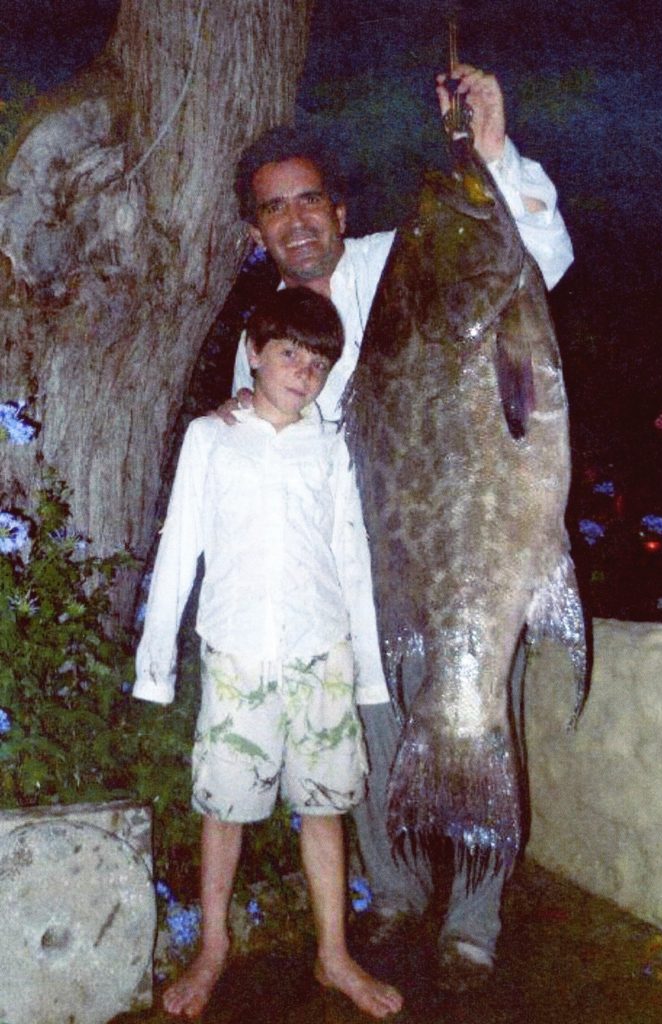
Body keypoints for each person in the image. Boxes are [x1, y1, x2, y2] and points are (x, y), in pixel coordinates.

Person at [222, 64, 575, 987]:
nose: (296, 220)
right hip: (349, 579)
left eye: (310, 200)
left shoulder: (404, 261)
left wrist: (489, 150)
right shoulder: (257, 338)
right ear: (255, 231)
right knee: (374, 742)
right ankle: (397, 893)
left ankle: (475, 918)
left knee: (476, 714)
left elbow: (541, 256)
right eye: (274, 208)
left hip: (459, 551)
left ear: (339, 210)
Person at [134, 287, 403, 1020]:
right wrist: (155, 667)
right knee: (225, 809)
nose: (304, 372)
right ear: (254, 352)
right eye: (289, 352)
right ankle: (213, 946)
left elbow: (352, 558)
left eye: (318, 362)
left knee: (325, 808)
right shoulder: (211, 438)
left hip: (322, 654)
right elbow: (179, 546)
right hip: (239, 654)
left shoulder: (332, 445)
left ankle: (333, 955)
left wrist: (367, 672)